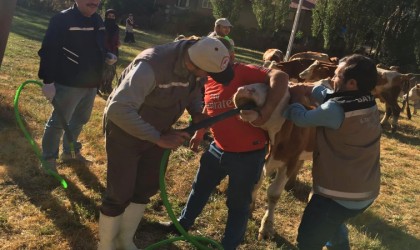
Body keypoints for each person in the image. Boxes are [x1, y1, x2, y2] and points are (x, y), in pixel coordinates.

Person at [98, 36, 235, 249]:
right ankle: (106, 245)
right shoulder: (151, 66)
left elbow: (192, 92)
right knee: (120, 191)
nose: (208, 78)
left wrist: (197, 112)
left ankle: (125, 240)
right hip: (125, 131)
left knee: (145, 186)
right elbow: (119, 110)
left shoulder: (196, 64)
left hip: (159, 132)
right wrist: (158, 138)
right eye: (208, 74)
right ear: (195, 65)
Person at [161, 38, 289, 250]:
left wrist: (265, 112)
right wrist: (199, 132)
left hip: (247, 155)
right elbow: (211, 110)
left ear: (230, 58)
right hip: (217, 148)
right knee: (199, 188)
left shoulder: (243, 71)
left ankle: (228, 246)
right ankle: (182, 224)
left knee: (238, 204)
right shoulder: (209, 78)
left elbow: (280, 76)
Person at [282, 54, 381, 250]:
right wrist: (313, 88)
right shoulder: (367, 101)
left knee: (308, 241)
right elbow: (332, 98)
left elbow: (302, 118)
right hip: (366, 191)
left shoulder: (335, 110)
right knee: (333, 223)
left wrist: (294, 101)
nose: (332, 79)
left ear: (351, 83)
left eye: (336, 75)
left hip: (336, 195)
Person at [38, 0, 108, 171]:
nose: (94, 2)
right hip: (69, 83)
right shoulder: (61, 20)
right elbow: (48, 51)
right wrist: (48, 81)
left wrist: (107, 55)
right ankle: (48, 160)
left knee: (81, 119)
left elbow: (97, 47)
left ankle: (69, 152)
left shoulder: (98, 20)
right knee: (58, 122)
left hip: (91, 83)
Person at [100, 9, 120, 95]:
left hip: (114, 50)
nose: (111, 18)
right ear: (106, 16)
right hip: (104, 50)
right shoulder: (102, 26)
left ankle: (108, 86)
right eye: (109, 16)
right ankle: (100, 86)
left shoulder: (116, 27)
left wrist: (118, 43)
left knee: (111, 70)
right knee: (103, 70)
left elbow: (117, 37)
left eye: (113, 16)